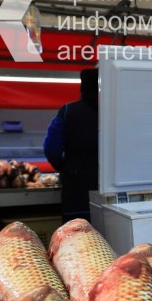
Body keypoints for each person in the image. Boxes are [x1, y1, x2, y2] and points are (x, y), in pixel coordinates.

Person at [43, 68, 99, 222]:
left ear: (82, 88)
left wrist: (66, 167)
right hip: (110, 192)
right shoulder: (114, 112)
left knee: (75, 232)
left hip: (76, 188)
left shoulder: (68, 111)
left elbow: (51, 148)